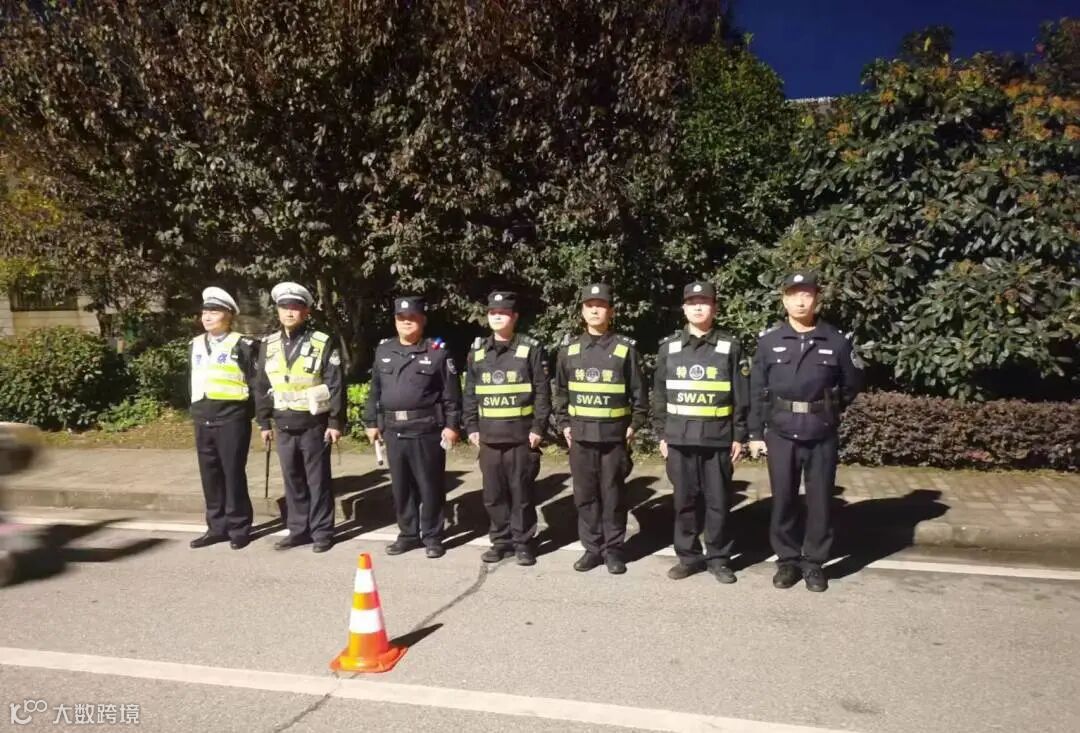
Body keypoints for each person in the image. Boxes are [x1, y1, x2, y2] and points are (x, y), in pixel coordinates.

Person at [748, 271, 865, 592]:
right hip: (781, 432)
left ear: (817, 299)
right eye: (794, 294)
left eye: (807, 294)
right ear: (784, 300)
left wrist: (827, 409)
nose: (801, 301)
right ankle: (787, 560)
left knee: (820, 500)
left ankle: (814, 562)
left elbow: (852, 384)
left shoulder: (837, 341)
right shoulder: (769, 341)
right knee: (783, 498)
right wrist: (755, 434)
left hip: (820, 431)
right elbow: (756, 390)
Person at [652, 281, 749, 583]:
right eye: (692, 302)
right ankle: (688, 557)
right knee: (684, 501)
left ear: (714, 308)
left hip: (718, 438)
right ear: (684, 308)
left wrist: (739, 435)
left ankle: (719, 558)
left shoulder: (730, 347)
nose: (698, 307)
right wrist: (661, 434)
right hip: (679, 439)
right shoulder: (669, 347)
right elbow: (659, 394)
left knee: (718, 502)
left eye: (704, 302)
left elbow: (742, 395)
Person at [552, 283, 647, 575]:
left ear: (611, 312)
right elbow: (561, 392)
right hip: (580, 437)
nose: (595, 310)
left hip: (613, 437)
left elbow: (639, 392)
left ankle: (614, 549)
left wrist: (635, 424)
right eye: (589, 305)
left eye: (601, 305)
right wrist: (563, 424)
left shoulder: (624, 348)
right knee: (585, 495)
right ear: (582, 311)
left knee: (613, 494)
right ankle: (592, 548)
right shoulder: (569, 350)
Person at [363, 296, 461, 558]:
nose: (406, 322)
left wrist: (452, 425)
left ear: (422, 320)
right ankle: (408, 534)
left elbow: (451, 394)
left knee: (430, 486)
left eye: (412, 318)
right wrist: (371, 421)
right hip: (393, 429)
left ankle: (433, 536)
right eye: (401, 318)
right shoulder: (384, 350)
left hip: (426, 429)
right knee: (401, 487)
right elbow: (375, 390)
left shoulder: (437, 351)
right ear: (395, 321)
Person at [254, 282, 345, 553]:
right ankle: (297, 529)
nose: (289, 312)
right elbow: (261, 385)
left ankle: (321, 532)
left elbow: (335, 383)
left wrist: (335, 422)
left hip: (313, 423)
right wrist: (263, 421)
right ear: (278, 311)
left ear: (306, 312)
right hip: (283, 422)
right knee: (292, 480)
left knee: (317, 481)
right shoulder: (268, 344)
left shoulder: (322, 341)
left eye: (295, 307)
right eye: (284, 307)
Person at [463, 291, 551, 566]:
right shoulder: (478, 351)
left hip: (520, 437)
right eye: (493, 313)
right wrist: (471, 426)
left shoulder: (530, 348)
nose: (497, 317)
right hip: (489, 437)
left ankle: (523, 543)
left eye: (503, 313)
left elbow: (542, 392)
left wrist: (538, 427)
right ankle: (500, 542)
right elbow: (470, 392)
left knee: (522, 494)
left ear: (514, 317)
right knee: (493, 495)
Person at [189, 287, 258, 551]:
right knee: (210, 475)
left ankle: (239, 527)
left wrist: (256, 416)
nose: (207, 317)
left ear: (229, 316)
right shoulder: (194, 344)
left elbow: (256, 382)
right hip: (203, 416)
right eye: (205, 312)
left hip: (232, 418)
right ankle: (216, 527)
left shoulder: (243, 344)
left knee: (232, 473)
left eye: (214, 312)